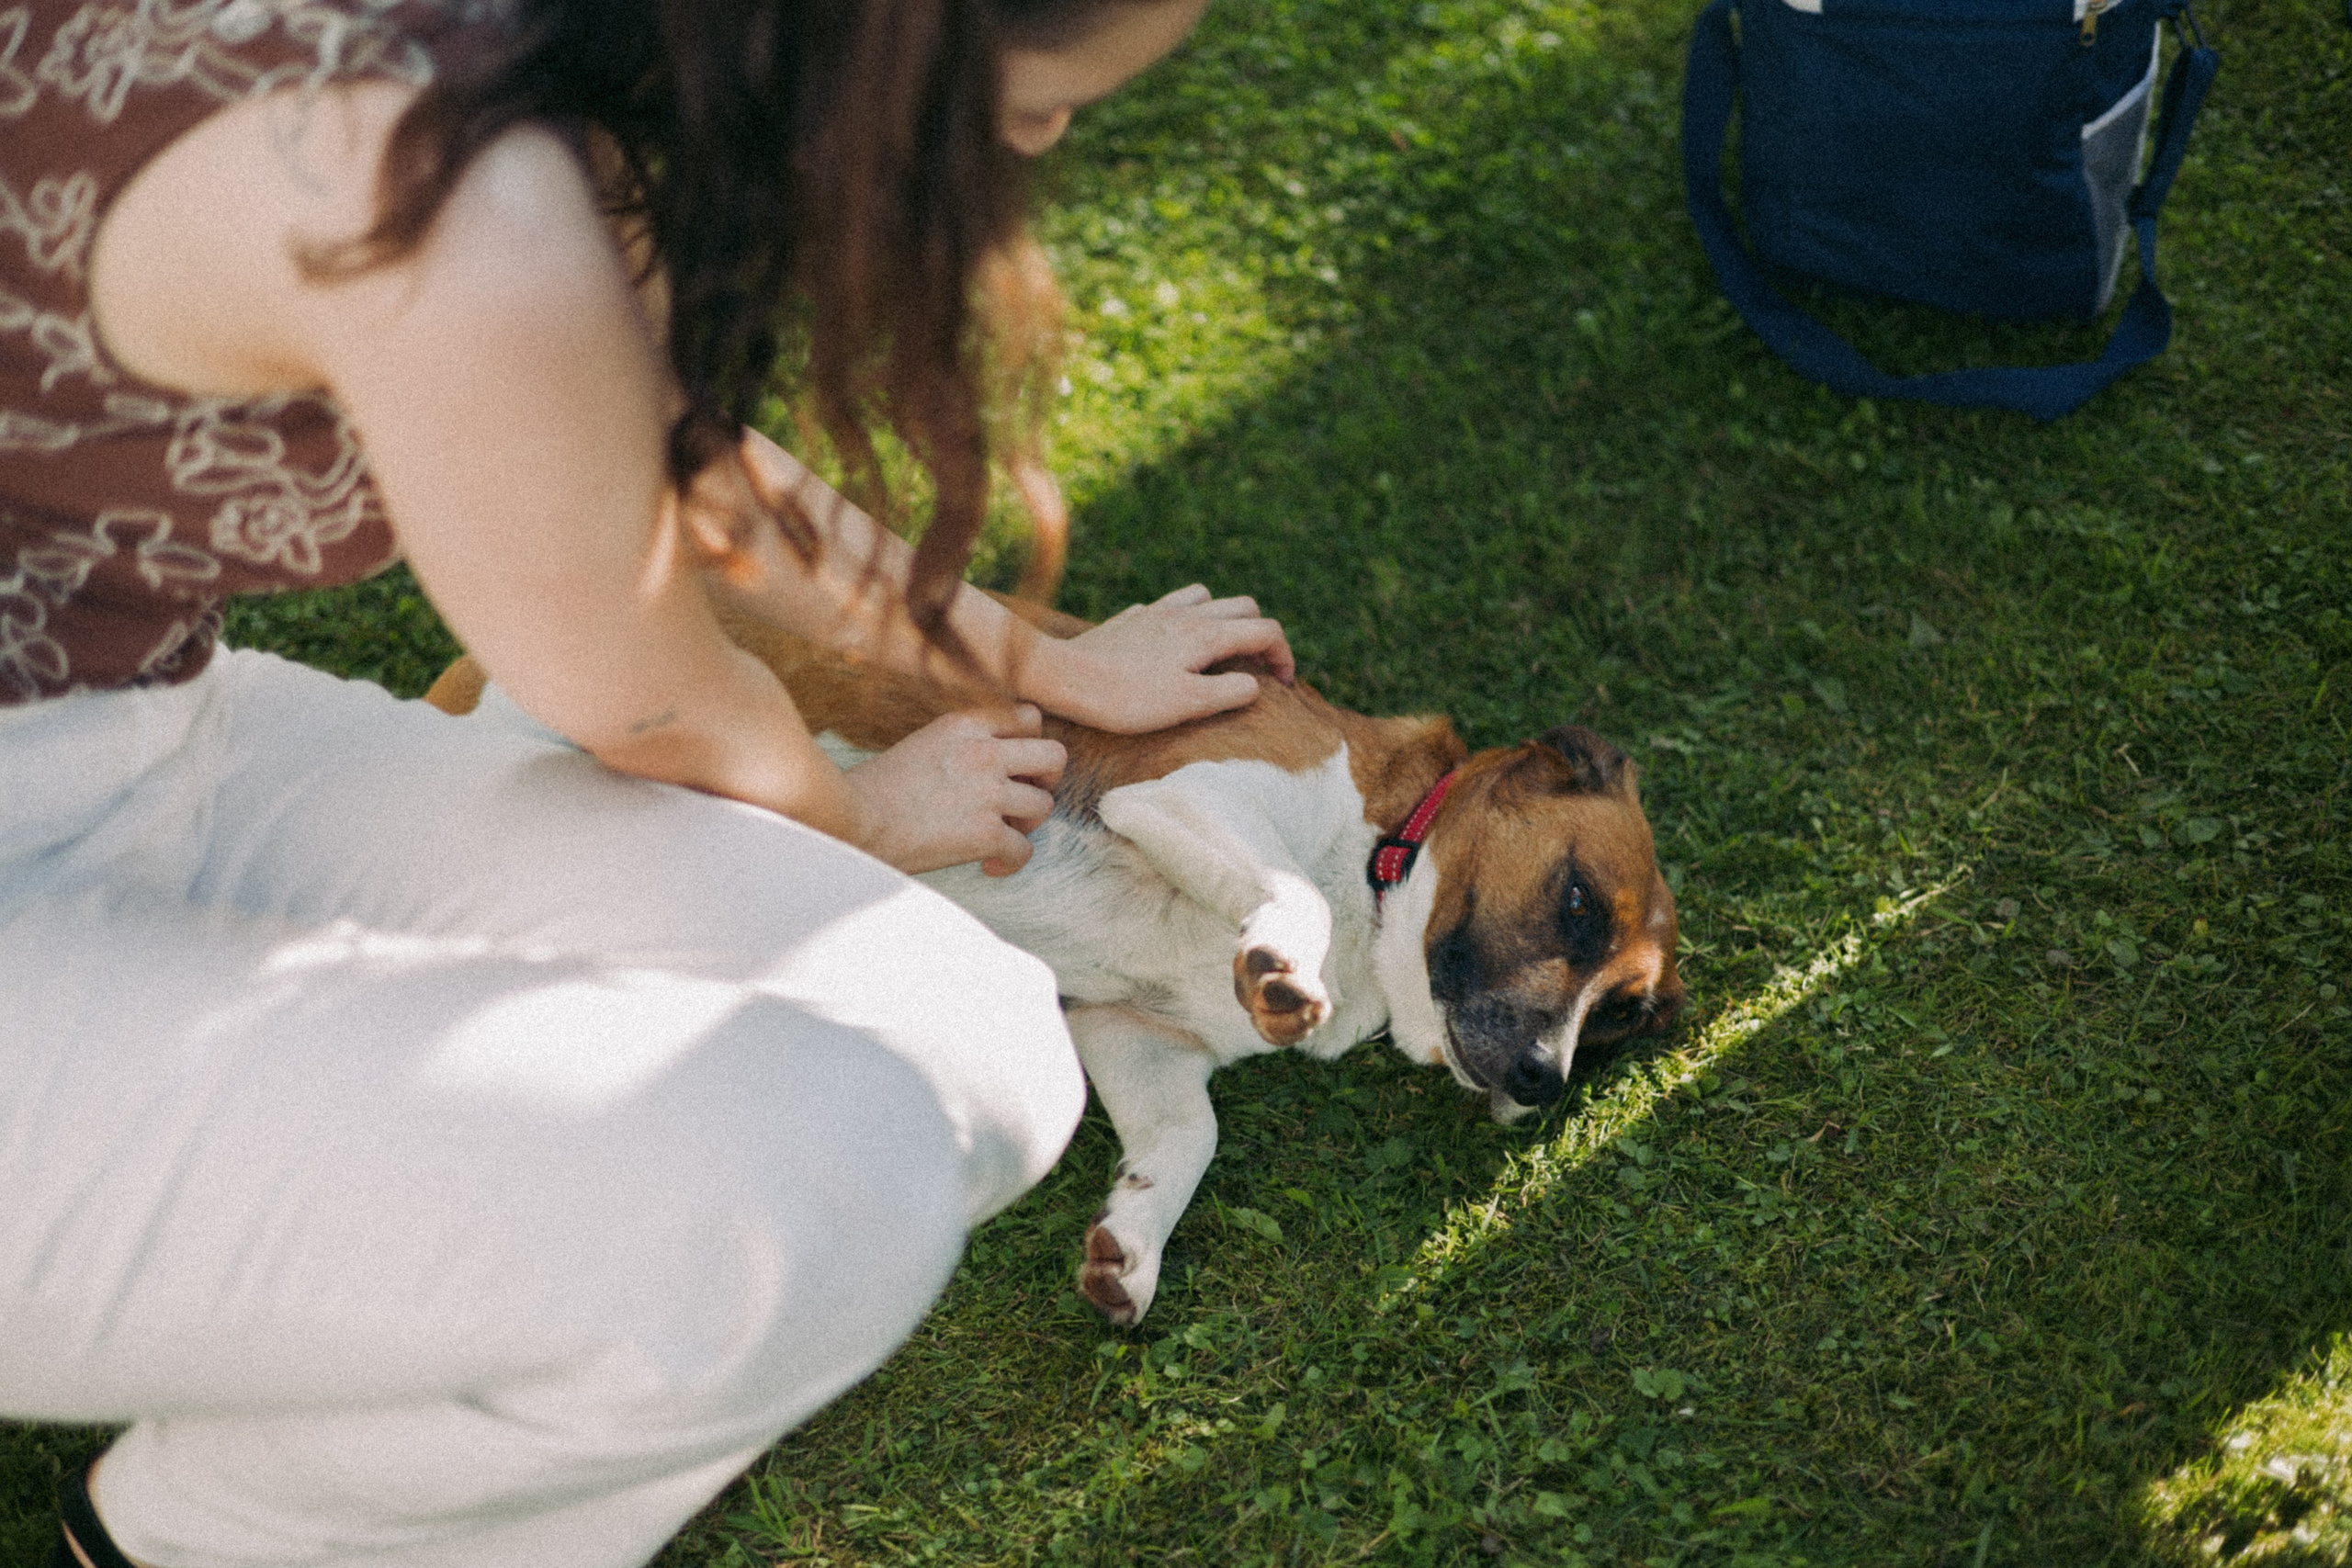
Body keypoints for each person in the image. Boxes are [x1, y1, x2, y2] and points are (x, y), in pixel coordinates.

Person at [0, 1, 1288, 1564]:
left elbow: (668, 450)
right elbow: (665, 705)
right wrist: (870, 811)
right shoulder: (460, 204)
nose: (1041, 143)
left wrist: (1045, 665)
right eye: (1029, 101)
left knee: (981, 1055)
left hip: (141, 733)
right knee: (782, 1214)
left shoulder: (546, 79)